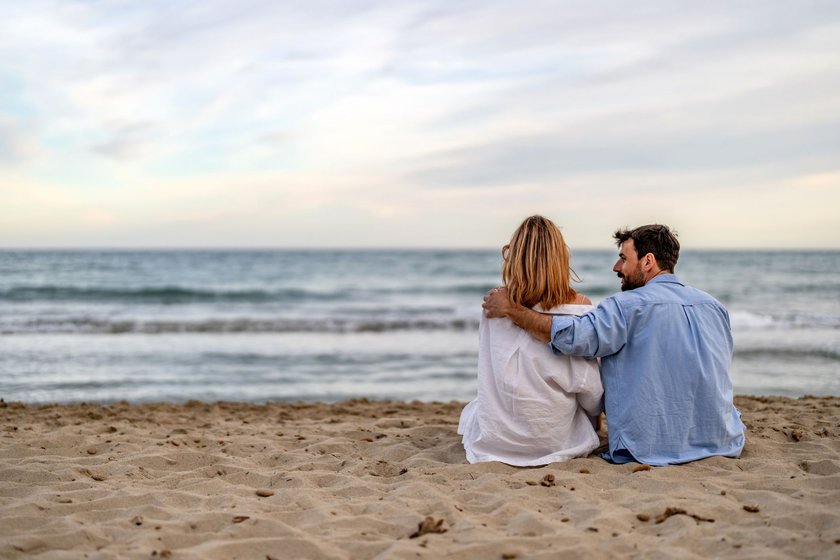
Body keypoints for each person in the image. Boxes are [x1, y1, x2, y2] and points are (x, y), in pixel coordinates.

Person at [482, 224, 746, 466]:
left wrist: (512, 309)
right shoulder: (714, 307)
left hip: (648, 449)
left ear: (648, 262)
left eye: (623, 258)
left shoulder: (626, 306)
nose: (616, 267)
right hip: (723, 439)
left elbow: (571, 336)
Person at [458, 215, 604, 466]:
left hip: (497, 437)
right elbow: (590, 391)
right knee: (584, 399)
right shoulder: (580, 309)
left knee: (475, 408)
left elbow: (489, 374)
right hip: (553, 439)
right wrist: (594, 416)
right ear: (561, 258)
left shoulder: (494, 305)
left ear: (514, 257)